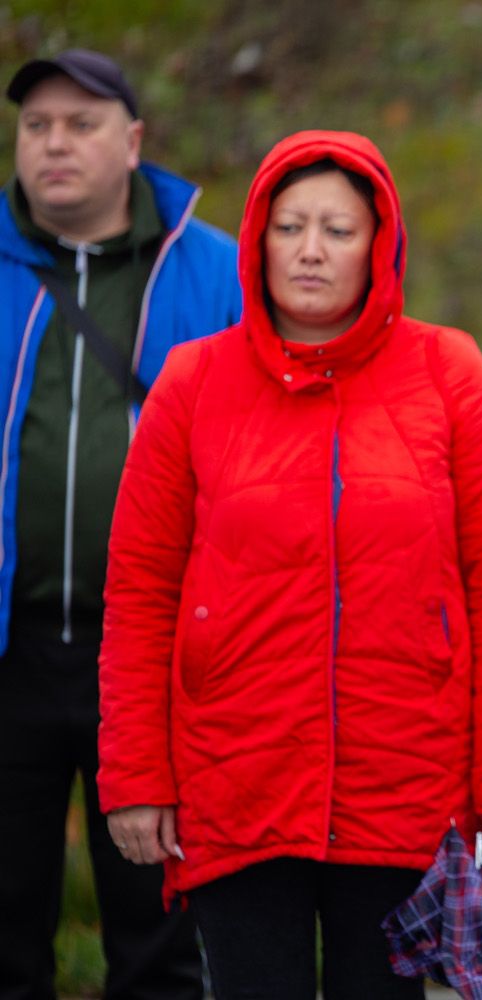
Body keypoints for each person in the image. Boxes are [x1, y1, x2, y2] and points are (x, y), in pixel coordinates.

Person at [96, 130, 482, 1000]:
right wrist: (135, 775)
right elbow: (141, 594)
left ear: (380, 246)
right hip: (235, 781)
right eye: (289, 225)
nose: (310, 250)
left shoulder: (449, 371)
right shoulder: (193, 383)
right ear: (257, 238)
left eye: (338, 230)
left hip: (406, 782)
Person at [0, 48, 240, 1000]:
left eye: (81, 123)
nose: (55, 143)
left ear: (133, 141)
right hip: (10, 649)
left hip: (154, 656)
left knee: (159, 931)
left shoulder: (216, 268)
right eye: (35, 126)